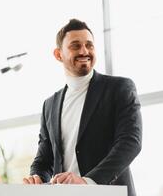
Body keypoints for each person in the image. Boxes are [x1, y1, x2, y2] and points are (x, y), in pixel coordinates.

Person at [23, 19, 142, 196]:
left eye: (89, 45)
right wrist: (36, 176)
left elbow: (130, 142)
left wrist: (88, 182)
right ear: (58, 54)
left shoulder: (119, 88)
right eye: (75, 46)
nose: (84, 51)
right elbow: (44, 158)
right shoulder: (49, 105)